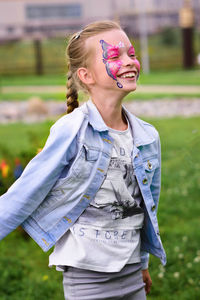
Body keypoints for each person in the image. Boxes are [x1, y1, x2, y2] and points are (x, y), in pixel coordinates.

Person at [0, 20, 166, 300]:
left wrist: (143, 262)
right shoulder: (72, 130)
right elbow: (25, 192)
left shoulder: (147, 136)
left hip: (131, 273)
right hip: (87, 278)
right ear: (86, 75)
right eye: (115, 56)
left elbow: (145, 208)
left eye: (132, 54)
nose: (129, 62)